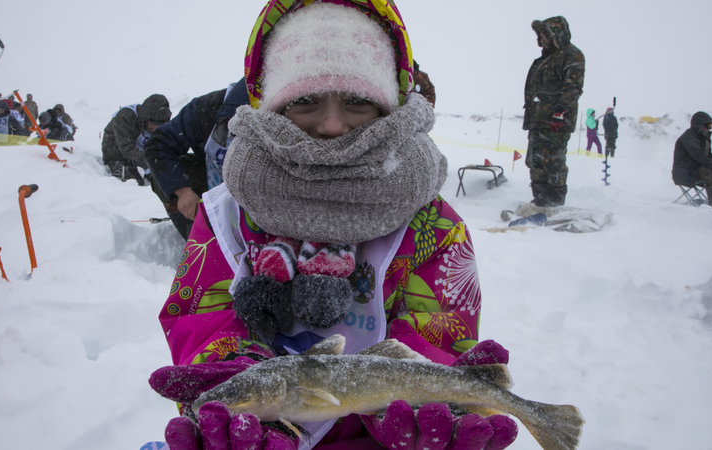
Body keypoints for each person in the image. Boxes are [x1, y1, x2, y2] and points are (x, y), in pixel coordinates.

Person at [149, 2, 520, 450]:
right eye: (305, 100)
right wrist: (237, 381)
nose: (331, 124)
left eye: (358, 100)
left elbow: (436, 329)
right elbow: (202, 317)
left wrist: (423, 399)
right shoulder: (227, 214)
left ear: (389, 106)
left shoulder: (434, 226)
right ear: (272, 104)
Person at [144, 80, 249, 239]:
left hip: (269, 198)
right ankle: (202, 240)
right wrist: (183, 191)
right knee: (165, 173)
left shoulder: (291, 109)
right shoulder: (206, 109)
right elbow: (158, 145)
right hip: (218, 187)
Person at [522, 16, 585, 207]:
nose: (541, 38)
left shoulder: (572, 55)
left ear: (556, 34)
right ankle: (540, 199)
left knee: (553, 161)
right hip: (538, 119)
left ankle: (555, 201)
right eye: (540, 35)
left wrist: (560, 112)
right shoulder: (546, 58)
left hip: (555, 120)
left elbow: (573, 87)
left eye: (545, 34)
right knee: (536, 161)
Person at [101, 94, 171, 186]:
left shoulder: (159, 124)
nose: (155, 128)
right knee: (132, 183)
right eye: (153, 124)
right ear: (146, 119)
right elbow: (127, 150)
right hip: (117, 151)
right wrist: (153, 162)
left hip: (142, 154)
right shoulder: (125, 117)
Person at [672, 112, 712, 211]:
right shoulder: (689, 138)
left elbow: (709, 156)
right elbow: (699, 156)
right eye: (708, 125)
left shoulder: (702, 138)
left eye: (711, 126)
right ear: (699, 125)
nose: (709, 128)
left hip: (695, 170)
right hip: (685, 172)